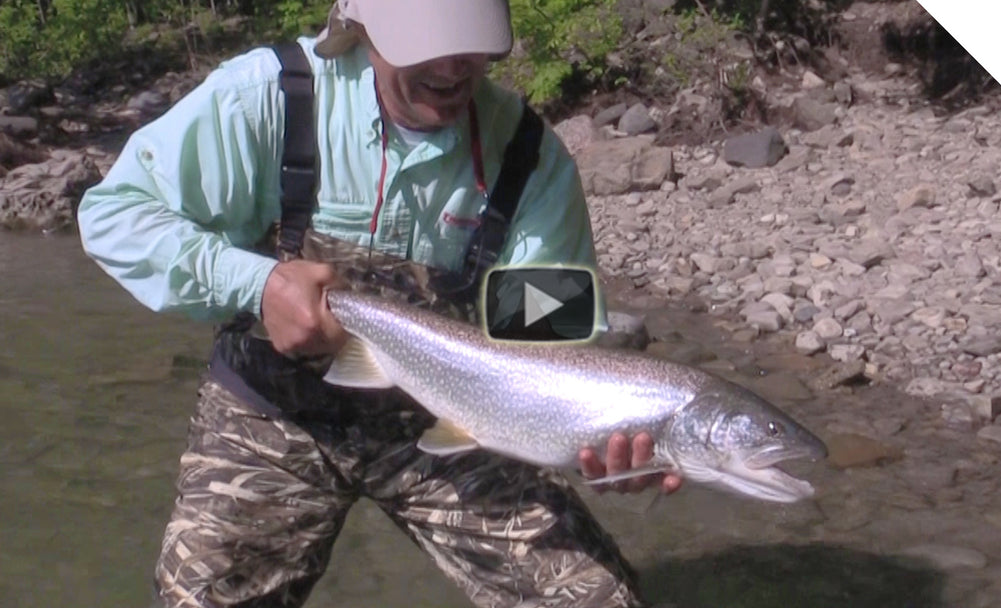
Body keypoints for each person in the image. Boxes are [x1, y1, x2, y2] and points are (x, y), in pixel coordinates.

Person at [78, 1, 681, 606]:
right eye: (427, 42)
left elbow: (545, 349)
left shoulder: (532, 161)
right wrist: (257, 285)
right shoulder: (265, 98)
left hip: (449, 418)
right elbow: (114, 214)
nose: (452, 65)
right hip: (272, 413)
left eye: (470, 43)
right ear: (359, 26)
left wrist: (596, 435)